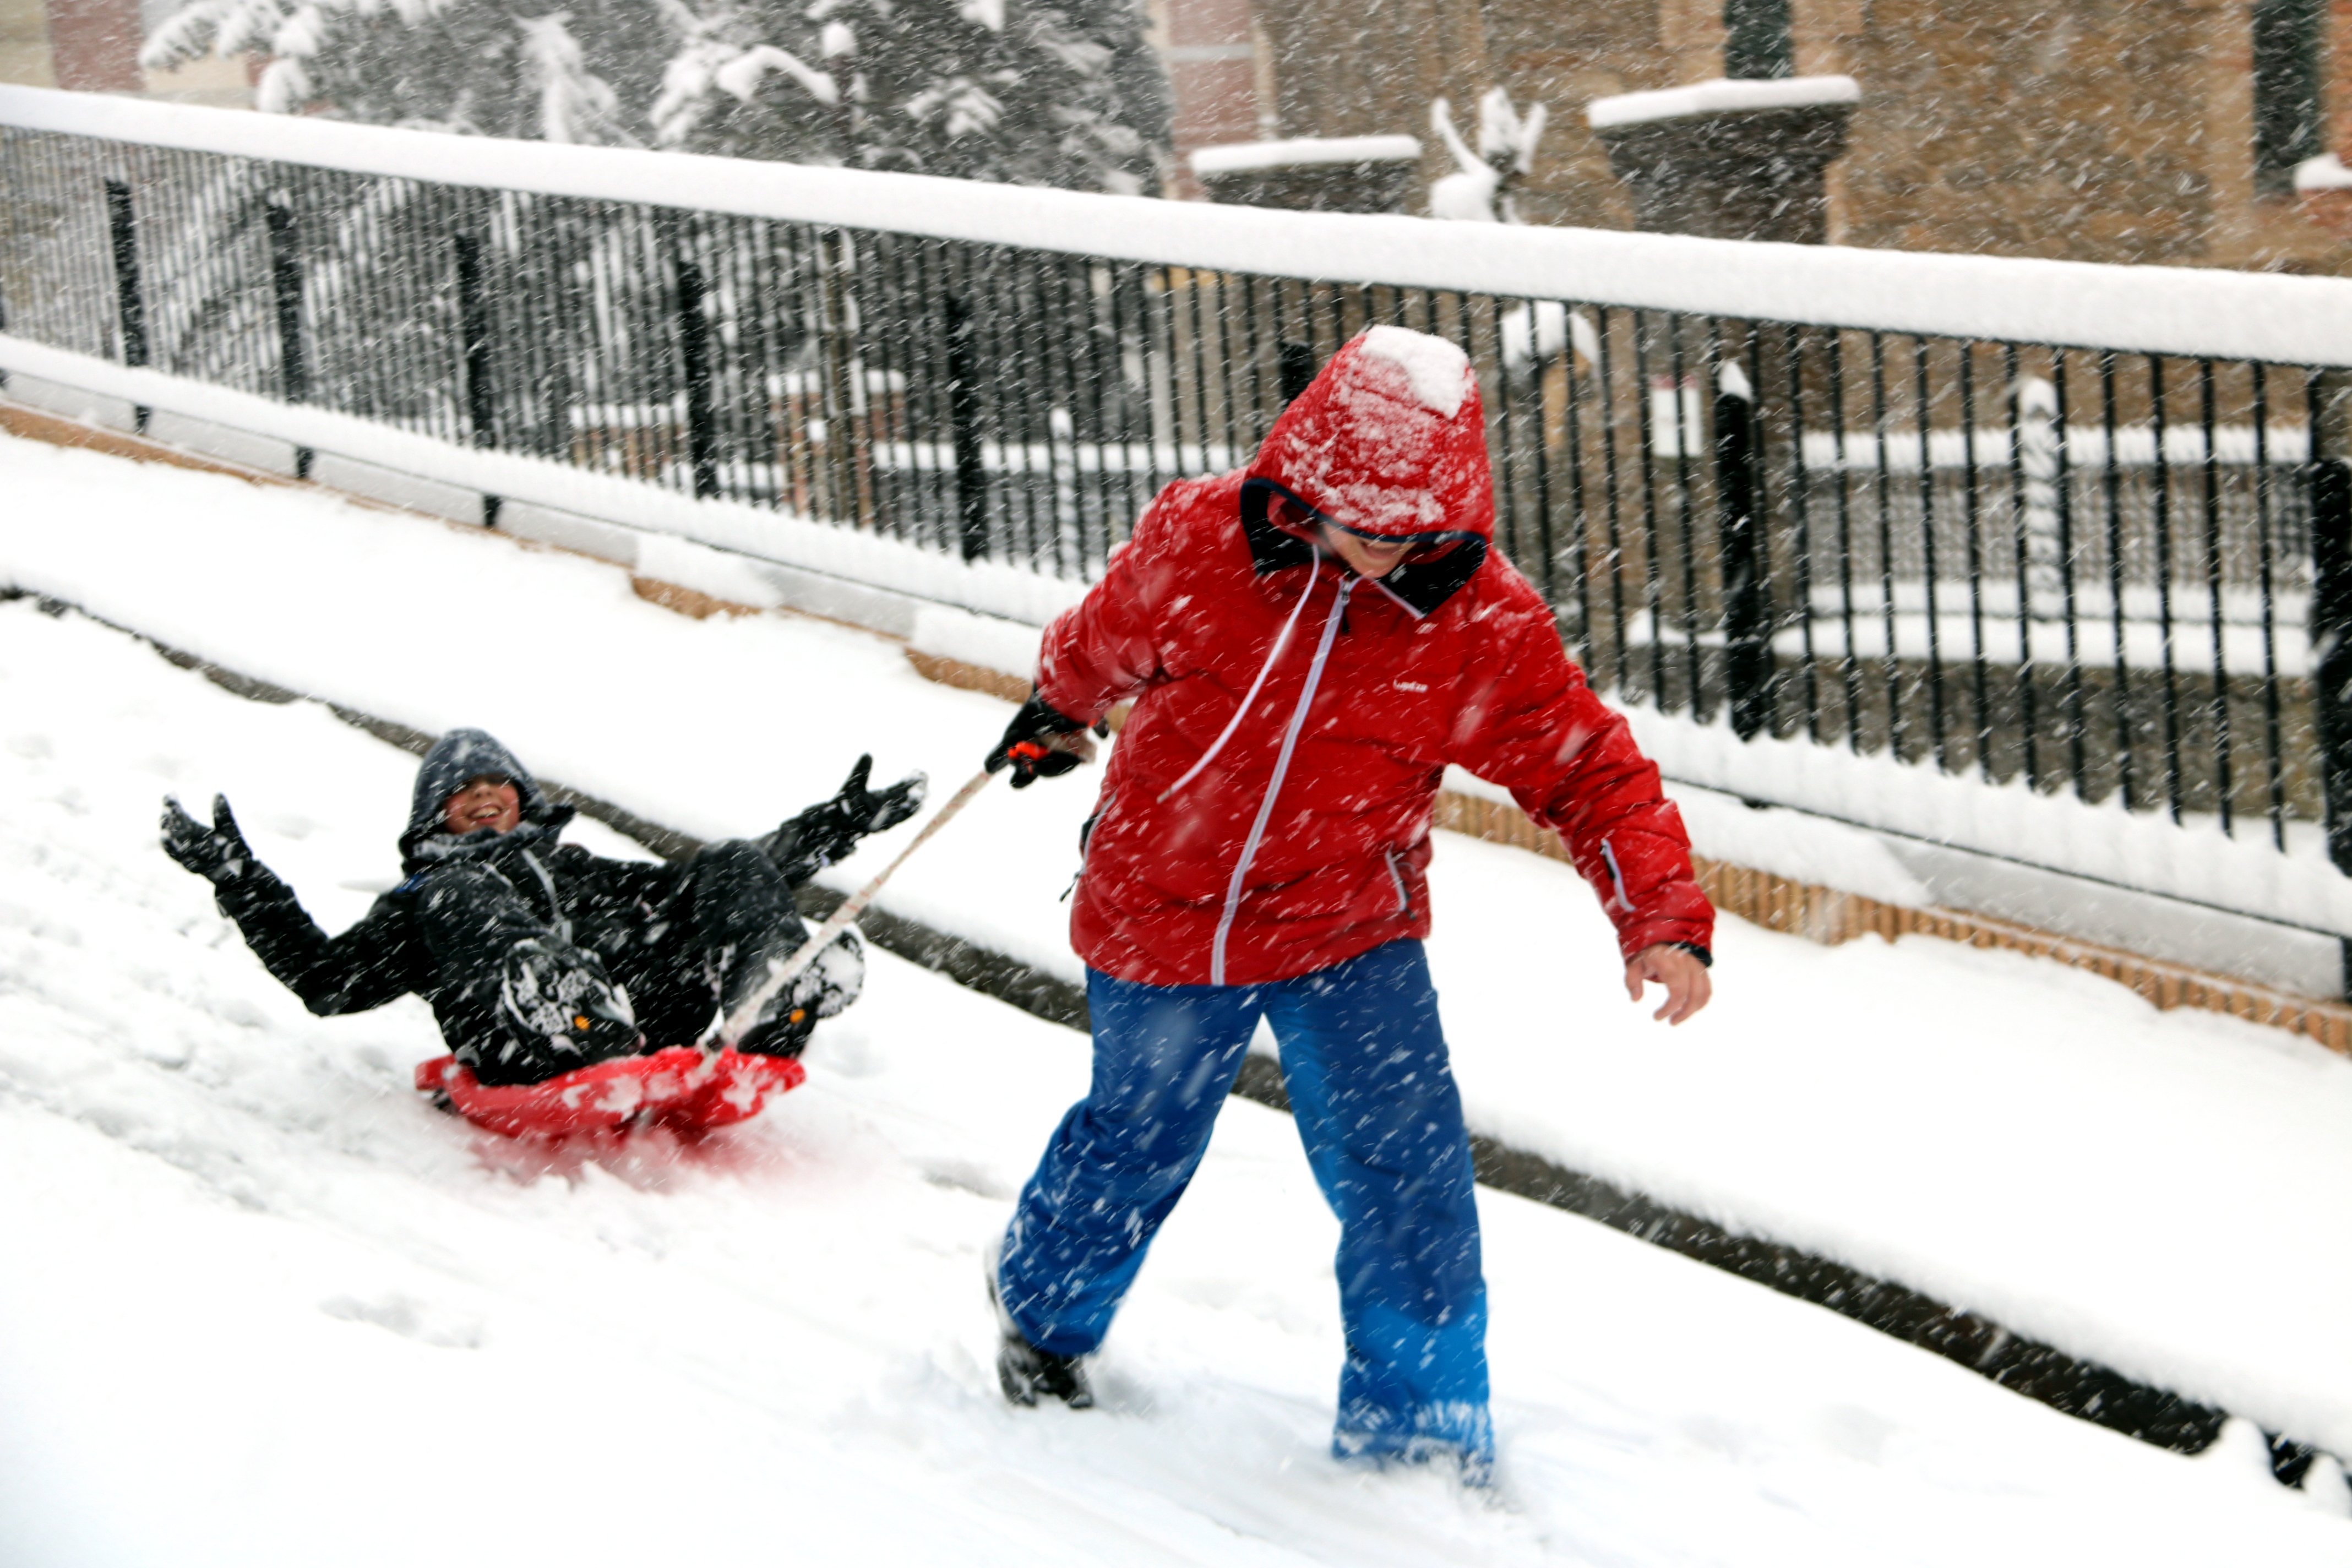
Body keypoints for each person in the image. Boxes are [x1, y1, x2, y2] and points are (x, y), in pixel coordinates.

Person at [979, 325, 1716, 1481]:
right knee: (1138, 1138)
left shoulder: (1478, 621)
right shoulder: (1202, 537)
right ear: (1304, 481)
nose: (1376, 550)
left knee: (1408, 1173)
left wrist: (1659, 912)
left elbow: (1586, 767)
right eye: (1352, 520)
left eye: (1404, 530)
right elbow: (1100, 638)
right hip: (1160, 900)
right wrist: (1057, 706)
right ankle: (1044, 1311)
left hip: (1345, 926)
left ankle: (1417, 1435)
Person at [161, 728, 923, 1084]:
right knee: (462, 895)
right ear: (436, 822)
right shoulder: (428, 899)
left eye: (500, 785)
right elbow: (327, 980)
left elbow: (701, 894)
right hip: (514, 1047)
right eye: (464, 793)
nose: (486, 794)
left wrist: (835, 826)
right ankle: (558, 1003)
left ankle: (772, 994)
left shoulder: (573, 868)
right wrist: (238, 878)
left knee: (724, 863)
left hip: (639, 1020)